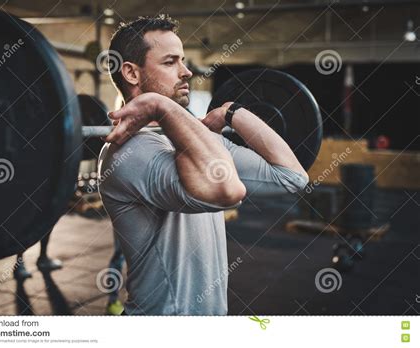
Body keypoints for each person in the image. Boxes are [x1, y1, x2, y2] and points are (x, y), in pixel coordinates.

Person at [97, 15, 309, 315]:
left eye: (183, 61)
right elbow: (226, 191)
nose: (186, 72)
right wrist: (161, 105)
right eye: (170, 62)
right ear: (131, 72)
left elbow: (292, 177)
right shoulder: (129, 152)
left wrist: (233, 112)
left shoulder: (200, 140)